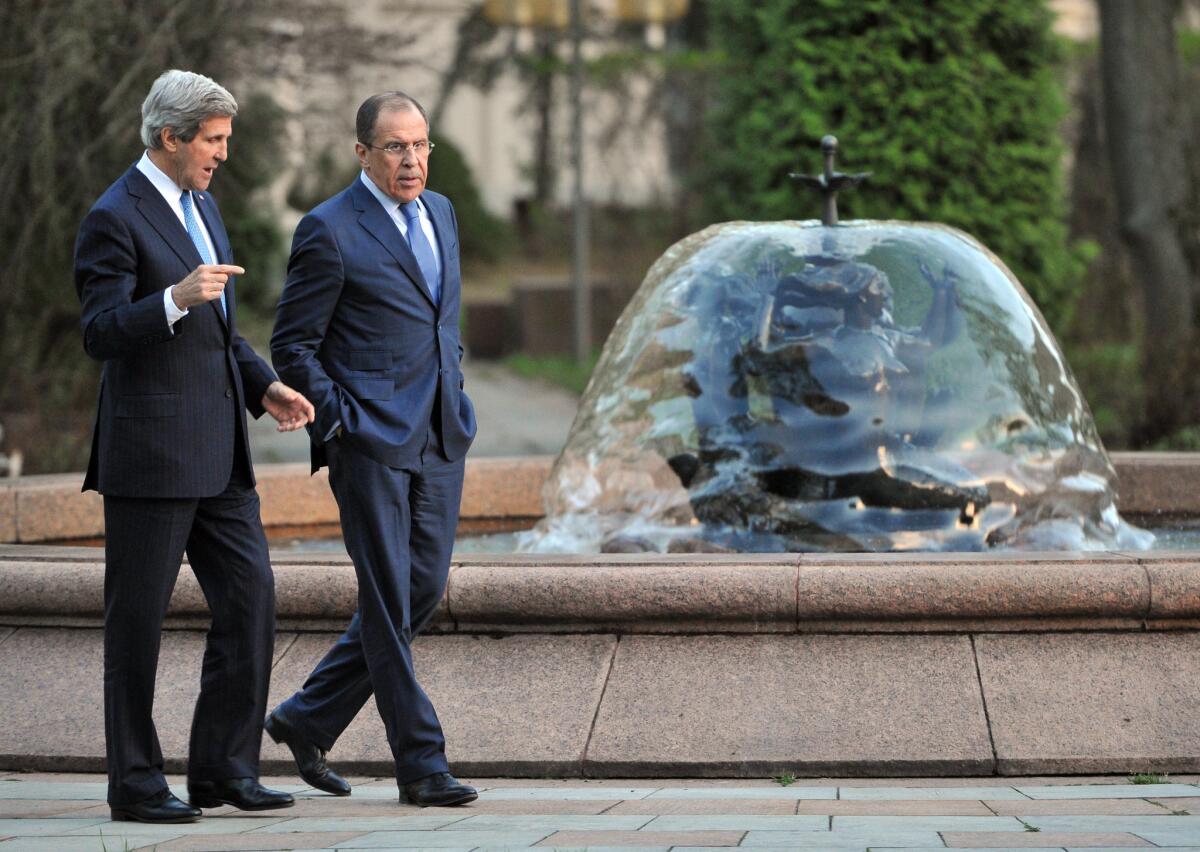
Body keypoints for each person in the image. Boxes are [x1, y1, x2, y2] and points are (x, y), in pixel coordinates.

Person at [74, 69, 315, 823]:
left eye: (225, 140)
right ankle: (137, 784)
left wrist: (263, 385)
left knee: (252, 604)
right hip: (149, 459)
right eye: (211, 141)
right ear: (169, 137)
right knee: (136, 625)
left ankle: (222, 769)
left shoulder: (202, 204)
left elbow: (220, 328)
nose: (220, 154)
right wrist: (174, 298)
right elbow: (101, 331)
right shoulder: (113, 216)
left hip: (220, 455)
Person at [268, 91, 477, 807]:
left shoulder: (443, 211)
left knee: (420, 590)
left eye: (420, 145)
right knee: (388, 598)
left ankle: (306, 717)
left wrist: (457, 386)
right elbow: (292, 346)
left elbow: (437, 317)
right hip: (369, 442)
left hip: (442, 432)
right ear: (362, 152)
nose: (411, 159)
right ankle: (421, 763)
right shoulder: (327, 229)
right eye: (394, 146)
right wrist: (343, 420)